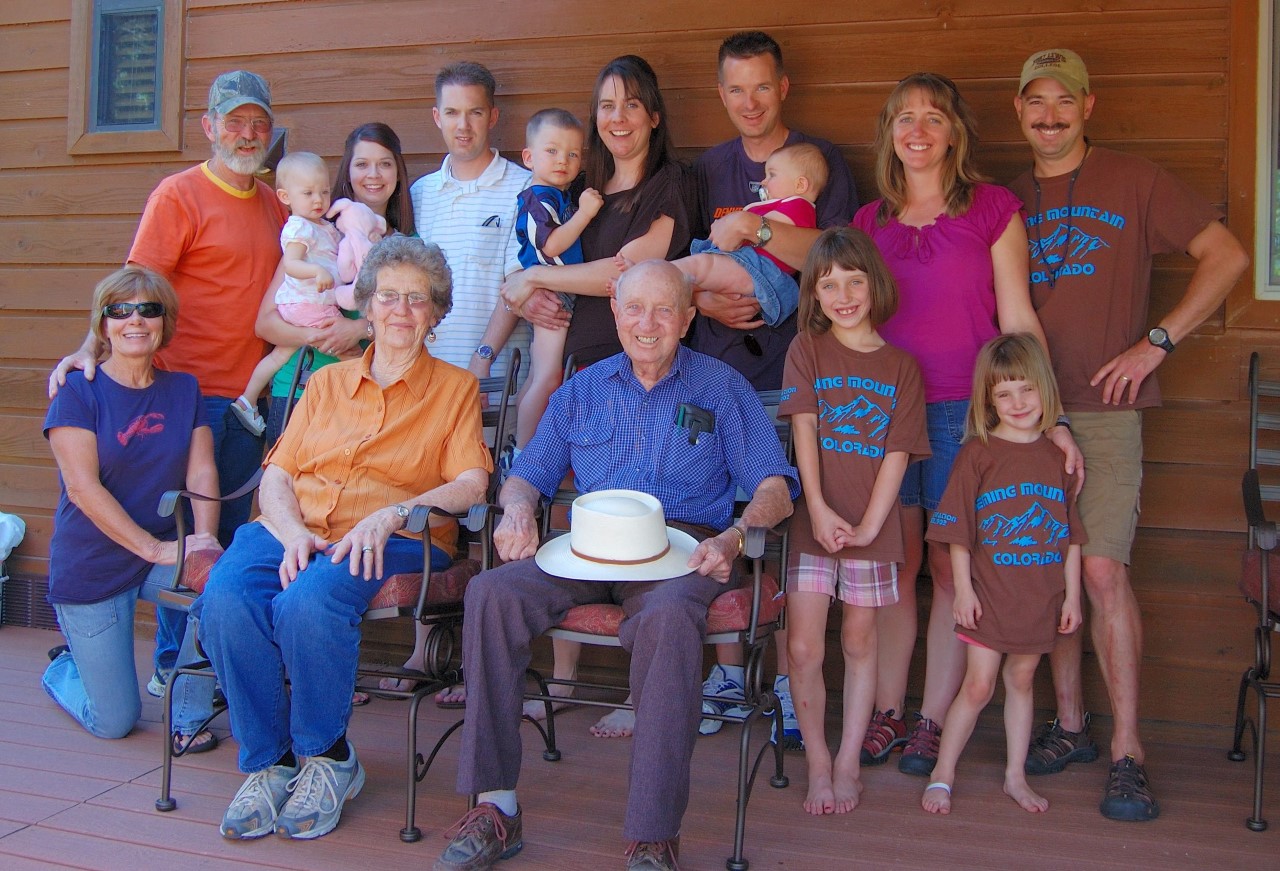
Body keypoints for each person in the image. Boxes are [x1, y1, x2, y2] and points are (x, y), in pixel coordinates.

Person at [433, 260, 798, 871]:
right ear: (616, 313)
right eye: (634, 309)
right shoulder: (583, 388)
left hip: (684, 546)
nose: (646, 324)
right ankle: (494, 807)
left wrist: (736, 537)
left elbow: (775, 488)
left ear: (686, 318)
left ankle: (653, 835)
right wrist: (518, 513)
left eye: (663, 310)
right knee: (492, 594)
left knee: (668, 619)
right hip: (589, 544)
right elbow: (528, 476)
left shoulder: (722, 387)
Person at [1008, 48, 1248, 821]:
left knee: (1104, 572)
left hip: (1107, 411)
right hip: (1025, 411)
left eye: (1063, 101)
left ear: (1090, 105)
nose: (1049, 115)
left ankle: (1128, 750)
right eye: (1035, 102)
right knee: (1052, 571)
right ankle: (1072, 724)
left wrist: (1158, 342)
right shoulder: (1002, 199)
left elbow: (1227, 255)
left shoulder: (1136, 181)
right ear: (1018, 110)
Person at [192, 237, 492, 841]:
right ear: (367, 305)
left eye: (417, 298)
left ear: (436, 311)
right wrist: (292, 531)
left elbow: (471, 483)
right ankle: (270, 763)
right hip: (292, 525)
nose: (401, 310)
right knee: (225, 595)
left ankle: (327, 758)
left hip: (395, 534)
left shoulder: (455, 388)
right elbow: (277, 472)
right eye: (388, 296)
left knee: (310, 598)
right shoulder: (326, 384)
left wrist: (400, 510)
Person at [47, 69, 290, 703]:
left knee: (224, 542)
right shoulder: (179, 195)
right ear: (209, 128)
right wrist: (88, 347)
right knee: (189, 536)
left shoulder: (273, 204)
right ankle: (170, 673)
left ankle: (198, 673)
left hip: (249, 400)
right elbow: (135, 290)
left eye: (257, 124)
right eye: (234, 123)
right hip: (186, 396)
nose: (247, 134)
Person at [851, 72, 1059, 777]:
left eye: (933, 117)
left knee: (947, 566)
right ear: (889, 133)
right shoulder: (867, 222)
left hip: (964, 417)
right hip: (882, 415)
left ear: (954, 132)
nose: (917, 130)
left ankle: (932, 720)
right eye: (903, 117)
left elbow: (1018, 317)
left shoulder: (993, 208)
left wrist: (1048, 418)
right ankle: (888, 710)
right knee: (892, 565)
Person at [498, 54, 693, 737]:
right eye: (607, 105)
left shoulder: (671, 185)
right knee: (573, 526)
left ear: (654, 116)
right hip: (582, 373)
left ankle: (649, 694)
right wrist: (528, 286)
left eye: (632, 105)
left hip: (640, 372)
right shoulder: (580, 188)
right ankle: (559, 681)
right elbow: (547, 259)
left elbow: (629, 270)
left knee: (642, 526)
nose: (618, 119)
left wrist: (531, 283)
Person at [690, 30, 859, 747]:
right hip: (711, 371)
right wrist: (705, 303)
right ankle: (727, 673)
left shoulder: (820, 166)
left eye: (762, 86)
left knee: (790, 529)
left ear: (783, 87)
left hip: (792, 373)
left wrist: (754, 230)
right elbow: (688, 269)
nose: (749, 102)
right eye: (735, 89)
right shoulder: (706, 169)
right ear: (721, 93)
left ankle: (795, 679)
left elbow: (834, 259)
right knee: (709, 512)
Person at [779, 227, 930, 815]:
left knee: (860, 641)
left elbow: (897, 453)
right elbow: (805, 432)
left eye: (854, 281)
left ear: (875, 286)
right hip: (814, 523)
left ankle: (847, 761)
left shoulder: (901, 367)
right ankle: (818, 760)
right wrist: (817, 509)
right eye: (829, 284)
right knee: (803, 647)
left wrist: (868, 526)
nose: (843, 294)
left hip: (872, 529)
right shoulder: (808, 350)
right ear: (814, 295)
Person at [42, 266, 219, 752]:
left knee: (222, 586)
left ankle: (188, 715)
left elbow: (201, 473)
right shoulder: (78, 391)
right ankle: (63, 668)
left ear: (166, 322)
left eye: (149, 309)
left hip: (162, 552)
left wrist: (202, 542)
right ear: (103, 325)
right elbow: (82, 489)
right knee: (114, 720)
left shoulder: (183, 389)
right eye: (120, 311)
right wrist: (157, 549)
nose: (134, 320)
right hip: (92, 563)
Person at [921, 333, 1084, 815]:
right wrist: (964, 591)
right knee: (978, 685)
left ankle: (1016, 776)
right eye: (1004, 393)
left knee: (1022, 679)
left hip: (1039, 595)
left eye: (1027, 390)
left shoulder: (1058, 457)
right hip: (989, 595)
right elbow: (957, 534)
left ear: (1045, 390)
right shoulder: (978, 453)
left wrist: (1072, 598)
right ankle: (942, 774)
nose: (1017, 403)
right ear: (988, 400)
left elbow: (1071, 535)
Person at [257, 122, 414, 446]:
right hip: (300, 390)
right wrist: (319, 336)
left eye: (385, 164)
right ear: (347, 172)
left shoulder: (409, 247)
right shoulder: (316, 235)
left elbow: (417, 323)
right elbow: (266, 323)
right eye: (362, 164)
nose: (374, 174)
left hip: (368, 395)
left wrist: (357, 330)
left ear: (398, 172)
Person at [411, 61, 531, 383]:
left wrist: (483, 359)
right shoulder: (420, 194)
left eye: (474, 112)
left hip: (495, 381)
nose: (462, 125)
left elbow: (518, 285)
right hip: (425, 379)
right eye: (452, 113)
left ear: (492, 116)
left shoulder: (524, 188)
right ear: (437, 117)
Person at [641, 142, 826, 334]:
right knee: (696, 274)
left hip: (760, 270)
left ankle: (650, 276)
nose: (763, 181)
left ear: (800, 184)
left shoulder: (798, 206)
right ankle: (652, 280)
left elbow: (774, 232)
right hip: (750, 267)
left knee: (701, 266)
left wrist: (742, 225)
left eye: (772, 175)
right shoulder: (779, 204)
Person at [509, 108, 603, 451]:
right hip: (552, 294)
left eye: (573, 153)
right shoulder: (538, 198)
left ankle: (517, 446)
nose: (563, 160)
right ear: (529, 157)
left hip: (554, 289)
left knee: (537, 375)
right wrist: (585, 213)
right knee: (548, 376)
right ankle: (522, 455)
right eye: (552, 151)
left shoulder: (553, 194)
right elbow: (551, 244)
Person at [231, 152, 344, 436]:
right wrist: (317, 272)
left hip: (305, 303)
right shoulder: (299, 227)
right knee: (344, 345)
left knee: (280, 355)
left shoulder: (323, 227)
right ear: (285, 196)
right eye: (308, 193)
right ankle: (378, 384)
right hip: (308, 303)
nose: (318, 200)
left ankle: (248, 399)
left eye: (324, 191)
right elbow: (292, 264)